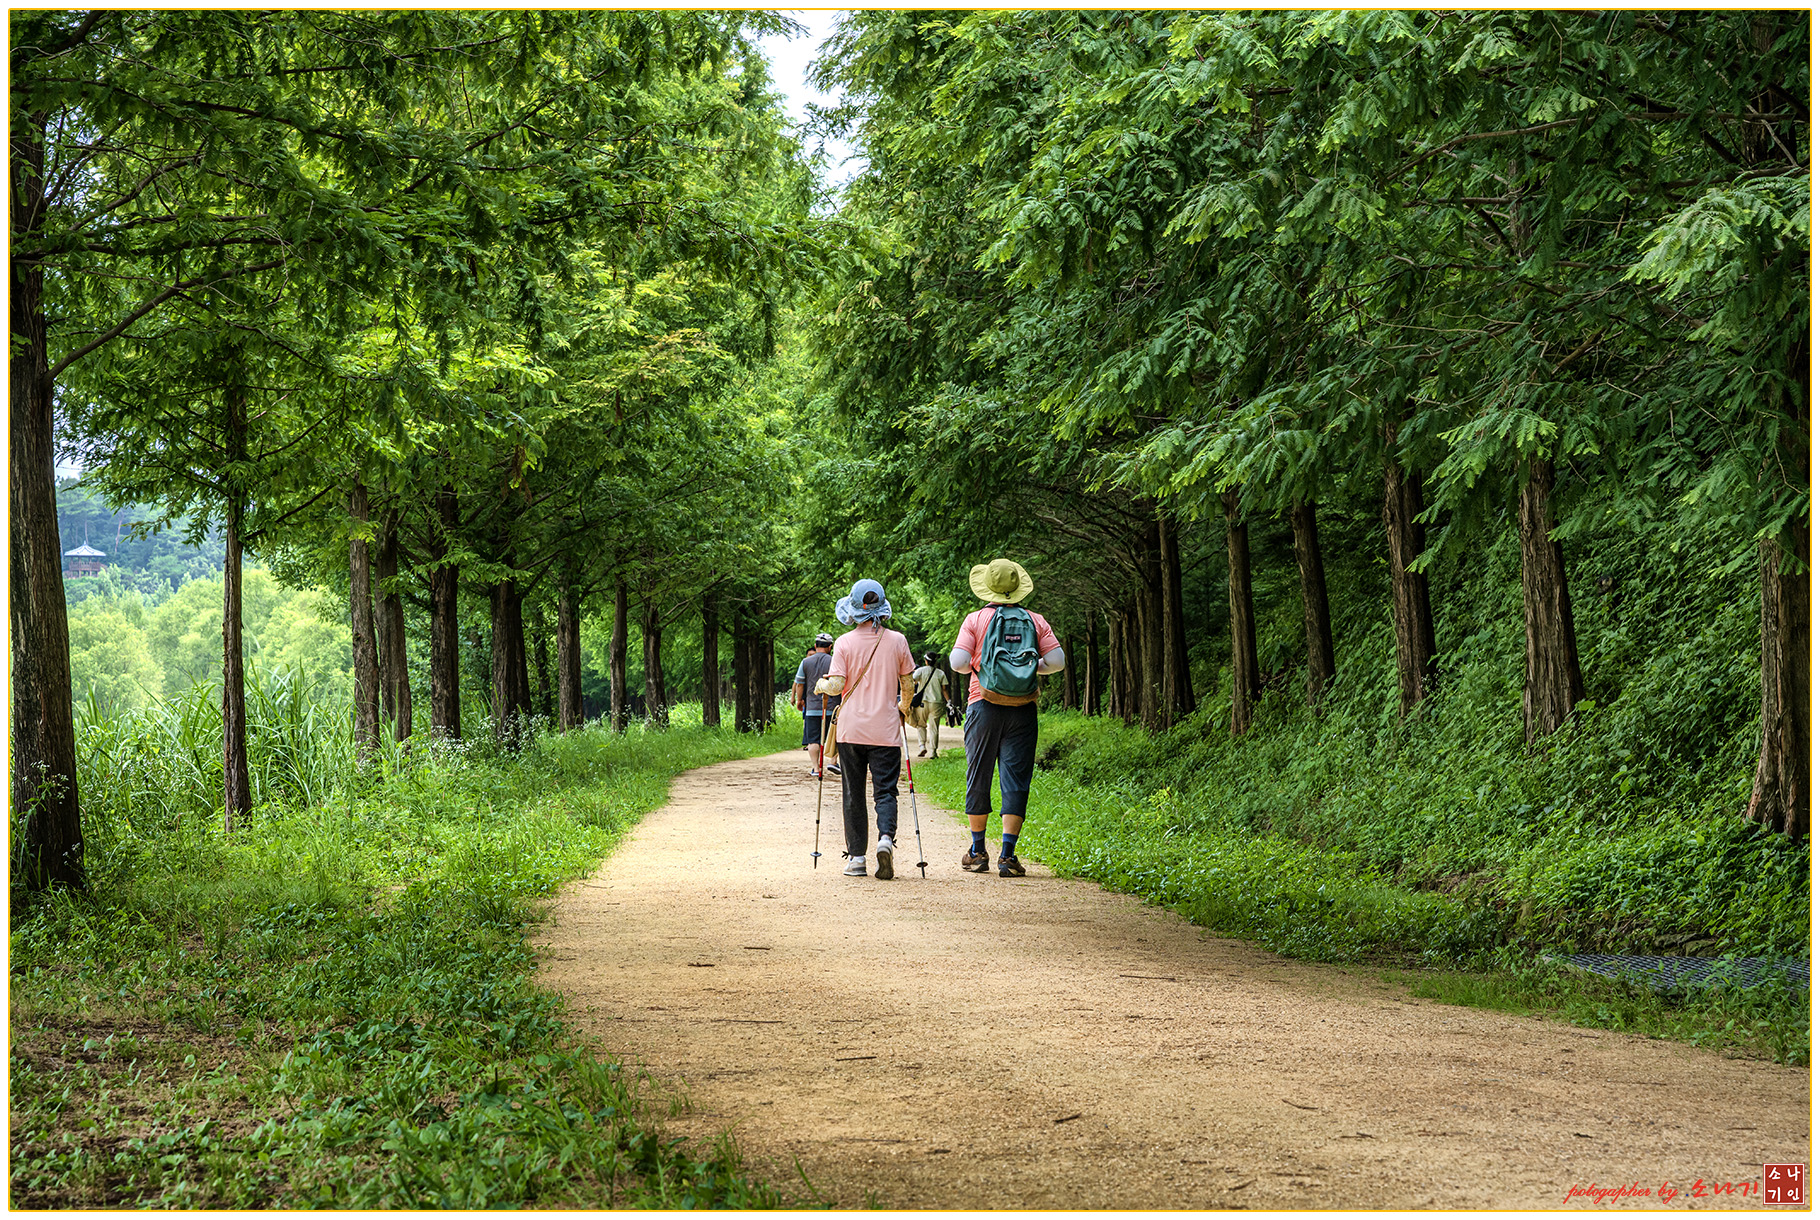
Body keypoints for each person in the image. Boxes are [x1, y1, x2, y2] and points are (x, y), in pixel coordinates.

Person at [949, 558, 1065, 878]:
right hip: (1023, 709)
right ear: (1017, 588)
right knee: (1016, 779)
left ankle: (977, 851)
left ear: (987, 587)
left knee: (979, 774)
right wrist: (1029, 670)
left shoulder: (975, 619)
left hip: (982, 704)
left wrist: (981, 669)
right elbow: (1057, 661)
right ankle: (1008, 855)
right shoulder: (1035, 620)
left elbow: (958, 661)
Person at [814, 578, 915, 879]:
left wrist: (821, 685)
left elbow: (836, 685)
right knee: (886, 790)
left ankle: (857, 858)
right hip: (885, 730)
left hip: (851, 731)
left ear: (854, 609)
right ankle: (886, 839)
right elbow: (907, 684)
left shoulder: (843, 642)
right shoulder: (897, 641)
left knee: (853, 792)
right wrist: (903, 709)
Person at [792, 632, 838, 778]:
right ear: (830, 647)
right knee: (833, 736)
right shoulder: (835, 661)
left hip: (812, 707)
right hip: (832, 706)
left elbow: (800, 684)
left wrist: (800, 700)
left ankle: (816, 768)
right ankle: (833, 761)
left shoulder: (805, 662)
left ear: (815, 645)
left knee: (813, 739)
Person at [906, 651, 949, 758]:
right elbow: (944, 689)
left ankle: (922, 746)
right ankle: (933, 752)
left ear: (926, 661)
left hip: (922, 703)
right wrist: (949, 702)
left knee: (921, 725)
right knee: (934, 728)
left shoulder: (920, 671)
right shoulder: (940, 673)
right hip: (936, 703)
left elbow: (912, 682)